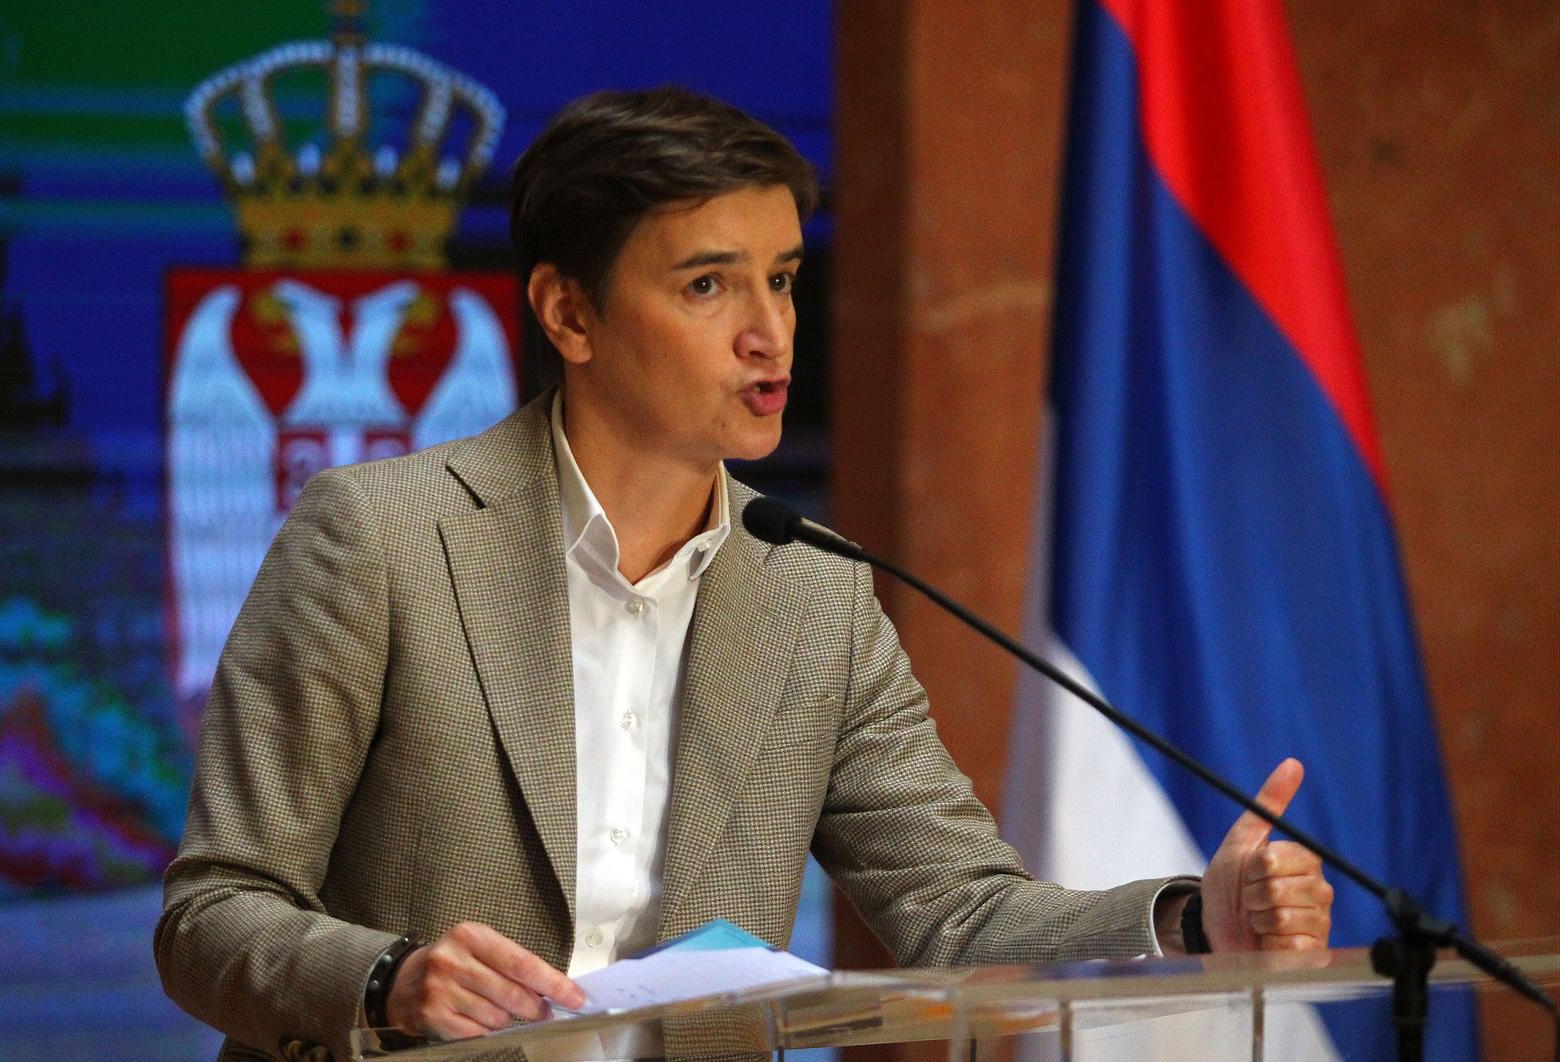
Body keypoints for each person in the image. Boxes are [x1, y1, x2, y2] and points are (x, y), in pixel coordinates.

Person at [155, 87, 1333, 1061]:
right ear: (569, 312)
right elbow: (211, 913)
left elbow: (957, 907)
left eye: (780, 278)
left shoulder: (813, 591)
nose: (768, 332)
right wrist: (388, 978)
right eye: (708, 285)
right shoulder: (380, 537)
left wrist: (1186, 914)